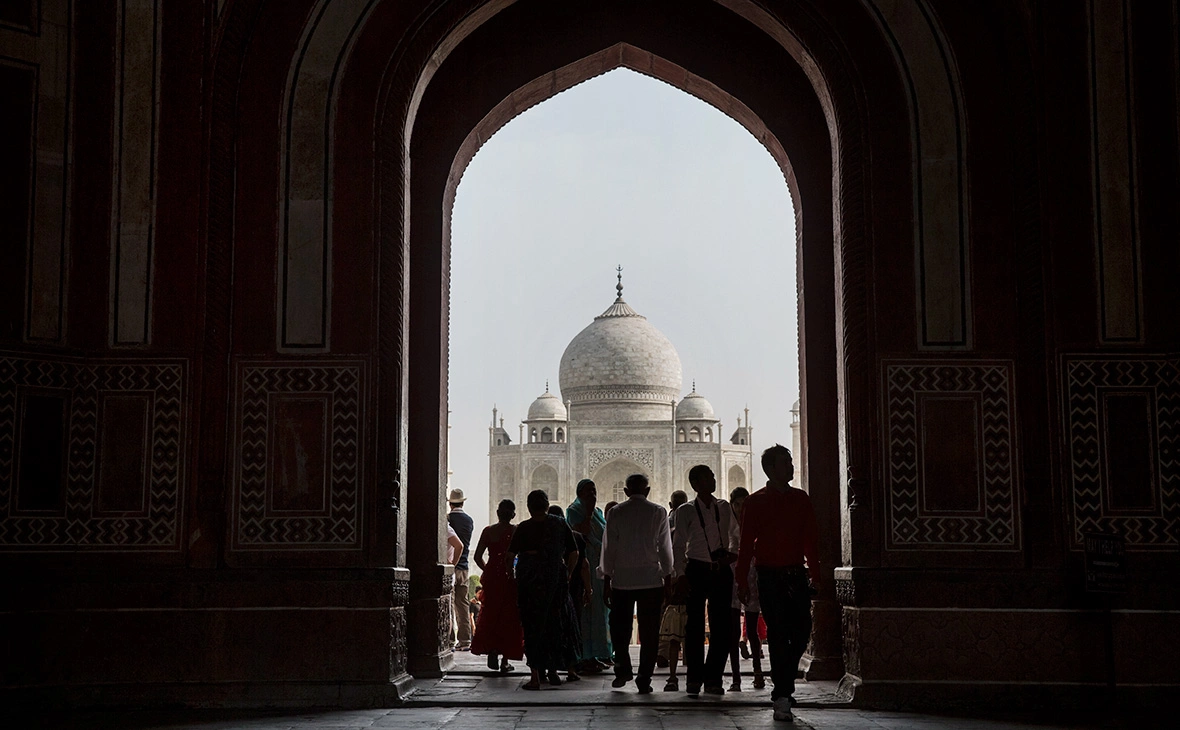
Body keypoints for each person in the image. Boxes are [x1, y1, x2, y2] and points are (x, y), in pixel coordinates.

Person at [736, 444, 821, 723]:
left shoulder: (801, 499)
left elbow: (810, 541)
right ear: (771, 469)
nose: (791, 467)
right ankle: (782, 694)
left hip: (795, 573)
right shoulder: (755, 501)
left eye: (791, 462)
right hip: (769, 575)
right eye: (786, 463)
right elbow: (746, 545)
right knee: (777, 633)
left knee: (801, 632)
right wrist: (742, 582)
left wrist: (816, 575)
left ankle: (783, 685)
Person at [599, 473, 674, 694]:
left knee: (620, 631)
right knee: (650, 633)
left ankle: (623, 671)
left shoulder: (615, 512)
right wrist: (668, 578)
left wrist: (606, 580)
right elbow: (665, 549)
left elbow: (608, 550)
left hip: (622, 581)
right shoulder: (658, 511)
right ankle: (644, 678)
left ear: (626, 492)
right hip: (651, 581)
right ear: (647, 491)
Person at [673, 464, 737, 696]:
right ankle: (694, 679)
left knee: (722, 627)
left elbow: (735, 534)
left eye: (712, 476)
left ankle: (713, 679)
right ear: (695, 484)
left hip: (720, 568)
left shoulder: (724, 507)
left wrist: (733, 555)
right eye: (708, 477)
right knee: (695, 627)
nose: (713, 480)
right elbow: (678, 545)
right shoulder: (686, 511)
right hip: (696, 569)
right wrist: (680, 574)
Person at [507, 490, 581, 690]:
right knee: (554, 625)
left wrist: (513, 576)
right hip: (555, 580)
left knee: (533, 627)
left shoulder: (523, 527)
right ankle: (554, 671)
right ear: (547, 506)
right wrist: (567, 573)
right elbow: (574, 552)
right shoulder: (559, 523)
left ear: (529, 507)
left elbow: (510, 556)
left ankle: (535, 677)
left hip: (530, 582)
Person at [470, 499, 524, 673]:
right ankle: (505, 660)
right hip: (509, 577)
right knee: (508, 617)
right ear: (513, 515)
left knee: (491, 614)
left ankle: (492, 650)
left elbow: (478, 556)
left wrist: (489, 569)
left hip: (493, 576)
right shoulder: (515, 531)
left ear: (498, 513)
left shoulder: (488, 531)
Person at [566, 479, 612, 671]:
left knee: (600, 611)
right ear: (579, 493)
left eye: (593, 490)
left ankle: (598, 653)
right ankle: (584, 655)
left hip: (599, 566)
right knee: (586, 611)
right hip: (584, 563)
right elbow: (581, 532)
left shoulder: (600, 513)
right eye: (587, 491)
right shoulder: (574, 510)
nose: (591, 494)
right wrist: (589, 511)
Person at [726, 487, 765, 691]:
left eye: (743, 504)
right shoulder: (728, 525)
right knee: (733, 630)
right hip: (733, 577)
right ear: (732, 504)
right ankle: (736, 678)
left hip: (752, 577)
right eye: (737, 504)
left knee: (751, 628)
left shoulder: (754, 524)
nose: (740, 508)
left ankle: (758, 674)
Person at [549, 504, 590, 681]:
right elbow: (584, 565)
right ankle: (572, 668)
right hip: (572, 591)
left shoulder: (545, 538)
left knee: (550, 628)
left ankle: (548, 669)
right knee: (572, 628)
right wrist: (588, 588)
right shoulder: (577, 538)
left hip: (549, 591)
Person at [447, 488, 474, 651]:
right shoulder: (469, 520)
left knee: (448, 603)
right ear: (463, 502)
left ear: (450, 504)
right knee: (462, 604)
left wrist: (451, 563)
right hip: (463, 566)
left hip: (450, 565)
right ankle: (465, 639)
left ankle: (449, 639)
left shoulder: (447, 519)